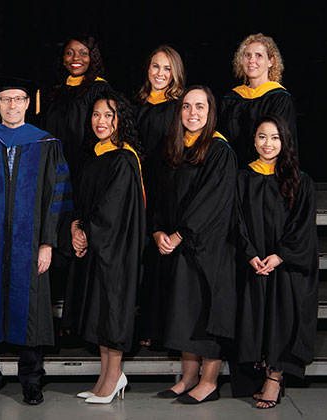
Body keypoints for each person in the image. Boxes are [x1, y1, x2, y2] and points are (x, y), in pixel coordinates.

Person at [0, 78, 72, 406]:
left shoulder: (46, 143)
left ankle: (31, 380)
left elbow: (56, 199)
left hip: (31, 243)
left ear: (27, 103)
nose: (12, 105)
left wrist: (48, 243)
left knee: (31, 306)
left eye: (18, 99)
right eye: (5, 99)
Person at [152, 85, 237, 404]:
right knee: (184, 313)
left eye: (200, 107)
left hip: (208, 248)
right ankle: (188, 378)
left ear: (211, 111)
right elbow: (162, 194)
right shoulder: (173, 147)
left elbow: (211, 201)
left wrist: (179, 234)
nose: (193, 113)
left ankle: (209, 381)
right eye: (187, 107)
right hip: (179, 246)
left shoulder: (219, 150)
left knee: (206, 314)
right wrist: (159, 230)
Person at [63, 89, 146, 404]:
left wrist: (87, 232)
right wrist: (75, 226)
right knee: (100, 313)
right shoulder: (94, 155)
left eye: (109, 115)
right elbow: (83, 202)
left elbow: (111, 209)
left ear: (120, 120)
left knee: (113, 312)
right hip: (98, 246)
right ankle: (105, 377)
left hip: (117, 248)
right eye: (96, 114)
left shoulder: (124, 159)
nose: (101, 121)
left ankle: (114, 377)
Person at [231, 114, 318, 409]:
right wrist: (251, 254)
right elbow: (237, 222)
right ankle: (258, 372)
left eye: (275, 137)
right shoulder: (242, 178)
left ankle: (275, 376)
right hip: (254, 261)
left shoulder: (299, 180)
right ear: (253, 140)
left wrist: (279, 255)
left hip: (284, 264)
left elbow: (303, 225)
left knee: (282, 312)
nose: (268, 144)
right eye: (262, 137)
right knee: (255, 314)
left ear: (285, 141)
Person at [133, 45, 185, 347]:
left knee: (160, 258)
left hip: (167, 189)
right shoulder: (137, 103)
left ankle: (161, 327)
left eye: (167, 69)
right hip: (138, 188)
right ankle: (141, 324)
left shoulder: (180, 107)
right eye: (156, 67)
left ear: (175, 73)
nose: (160, 74)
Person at [219, 33, 297, 167]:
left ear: (271, 61)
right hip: (233, 174)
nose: (251, 60)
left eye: (259, 55)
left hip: (266, 177)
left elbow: (282, 144)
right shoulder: (231, 99)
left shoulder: (279, 98)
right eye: (247, 55)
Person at [41, 33, 109, 185]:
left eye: (83, 53)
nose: (76, 58)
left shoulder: (99, 89)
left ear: (92, 58)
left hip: (84, 168)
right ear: (63, 59)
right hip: (54, 167)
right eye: (69, 53)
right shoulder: (57, 92)